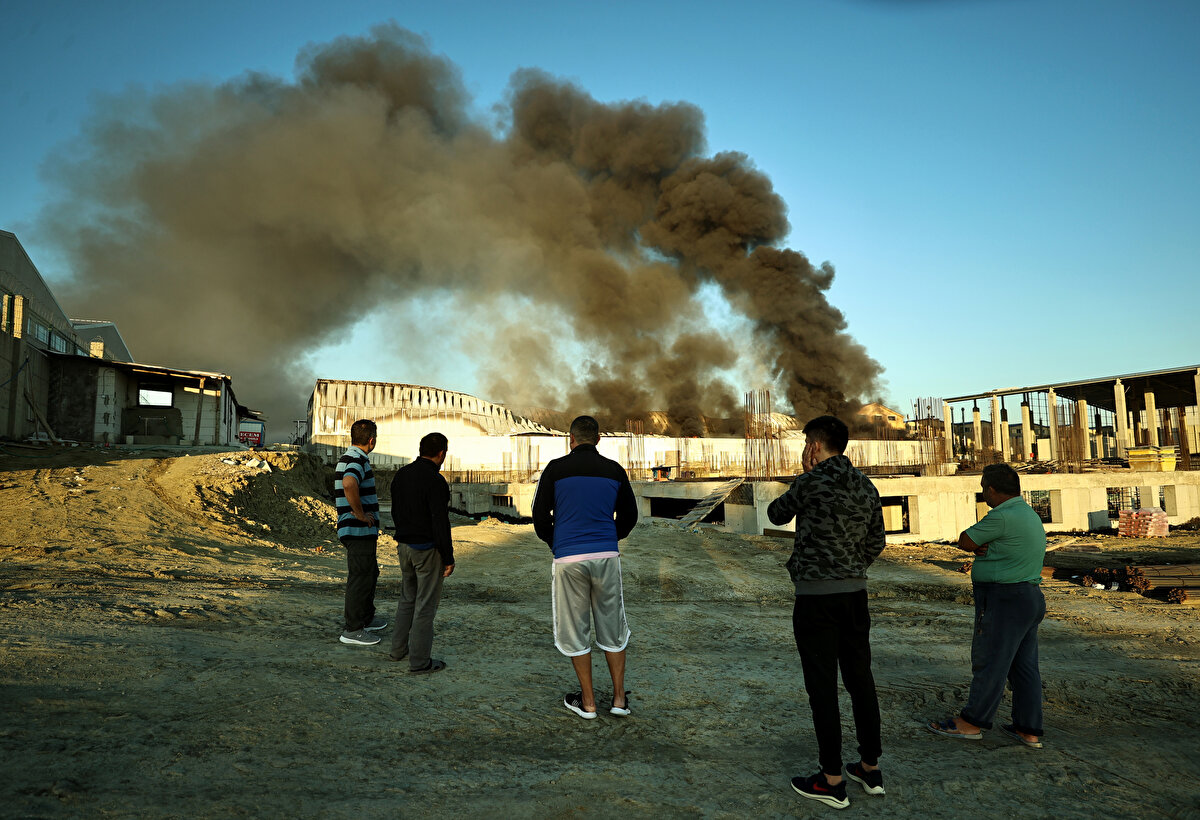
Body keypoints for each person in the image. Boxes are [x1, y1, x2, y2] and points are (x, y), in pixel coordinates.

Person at [766, 415, 886, 810]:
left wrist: (803, 476)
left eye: (805, 444)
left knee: (822, 686)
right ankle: (869, 768)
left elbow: (775, 514)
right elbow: (877, 542)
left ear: (814, 447)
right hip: (855, 595)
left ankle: (831, 779)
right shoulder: (867, 486)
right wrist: (852, 565)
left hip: (816, 598)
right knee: (860, 679)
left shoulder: (810, 481)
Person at [927, 462, 1047, 749]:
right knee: (1024, 667)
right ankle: (1028, 728)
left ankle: (973, 722)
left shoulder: (1002, 516)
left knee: (990, 662)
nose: (985, 496)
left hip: (1003, 599)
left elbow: (966, 540)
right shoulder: (1028, 514)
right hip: (1028, 597)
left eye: (984, 490)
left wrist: (976, 545)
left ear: (991, 489)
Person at [532, 415, 638, 720]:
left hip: (569, 559)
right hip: (606, 556)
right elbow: (629, 515)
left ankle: (589, 703)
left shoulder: (555, 469)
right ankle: (619, 700)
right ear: (598, 440)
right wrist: (610, 537)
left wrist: (556, 542)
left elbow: (539, 513)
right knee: (612, 627)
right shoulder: (614, 470)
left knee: (576, 629)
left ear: (571, 439)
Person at [389, 432, 455, 673]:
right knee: (425, 607)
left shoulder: (402, 475)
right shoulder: (435, 481)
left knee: (407, 599)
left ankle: (397, 650)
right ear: (441, 454)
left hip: (404, 546)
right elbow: (440, 522)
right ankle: (419, 662)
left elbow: (396, 511)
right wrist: (448, 557)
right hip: (426, 549)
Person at [335, 419, 386, 646]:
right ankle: (353, 629)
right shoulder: (356, 459)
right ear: (372, 440)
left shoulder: (351, 456)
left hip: (360, 531)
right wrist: (360, 514)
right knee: (360, 577)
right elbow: (349, 484)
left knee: (369, 573)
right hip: (357, 530)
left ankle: (365, 618)